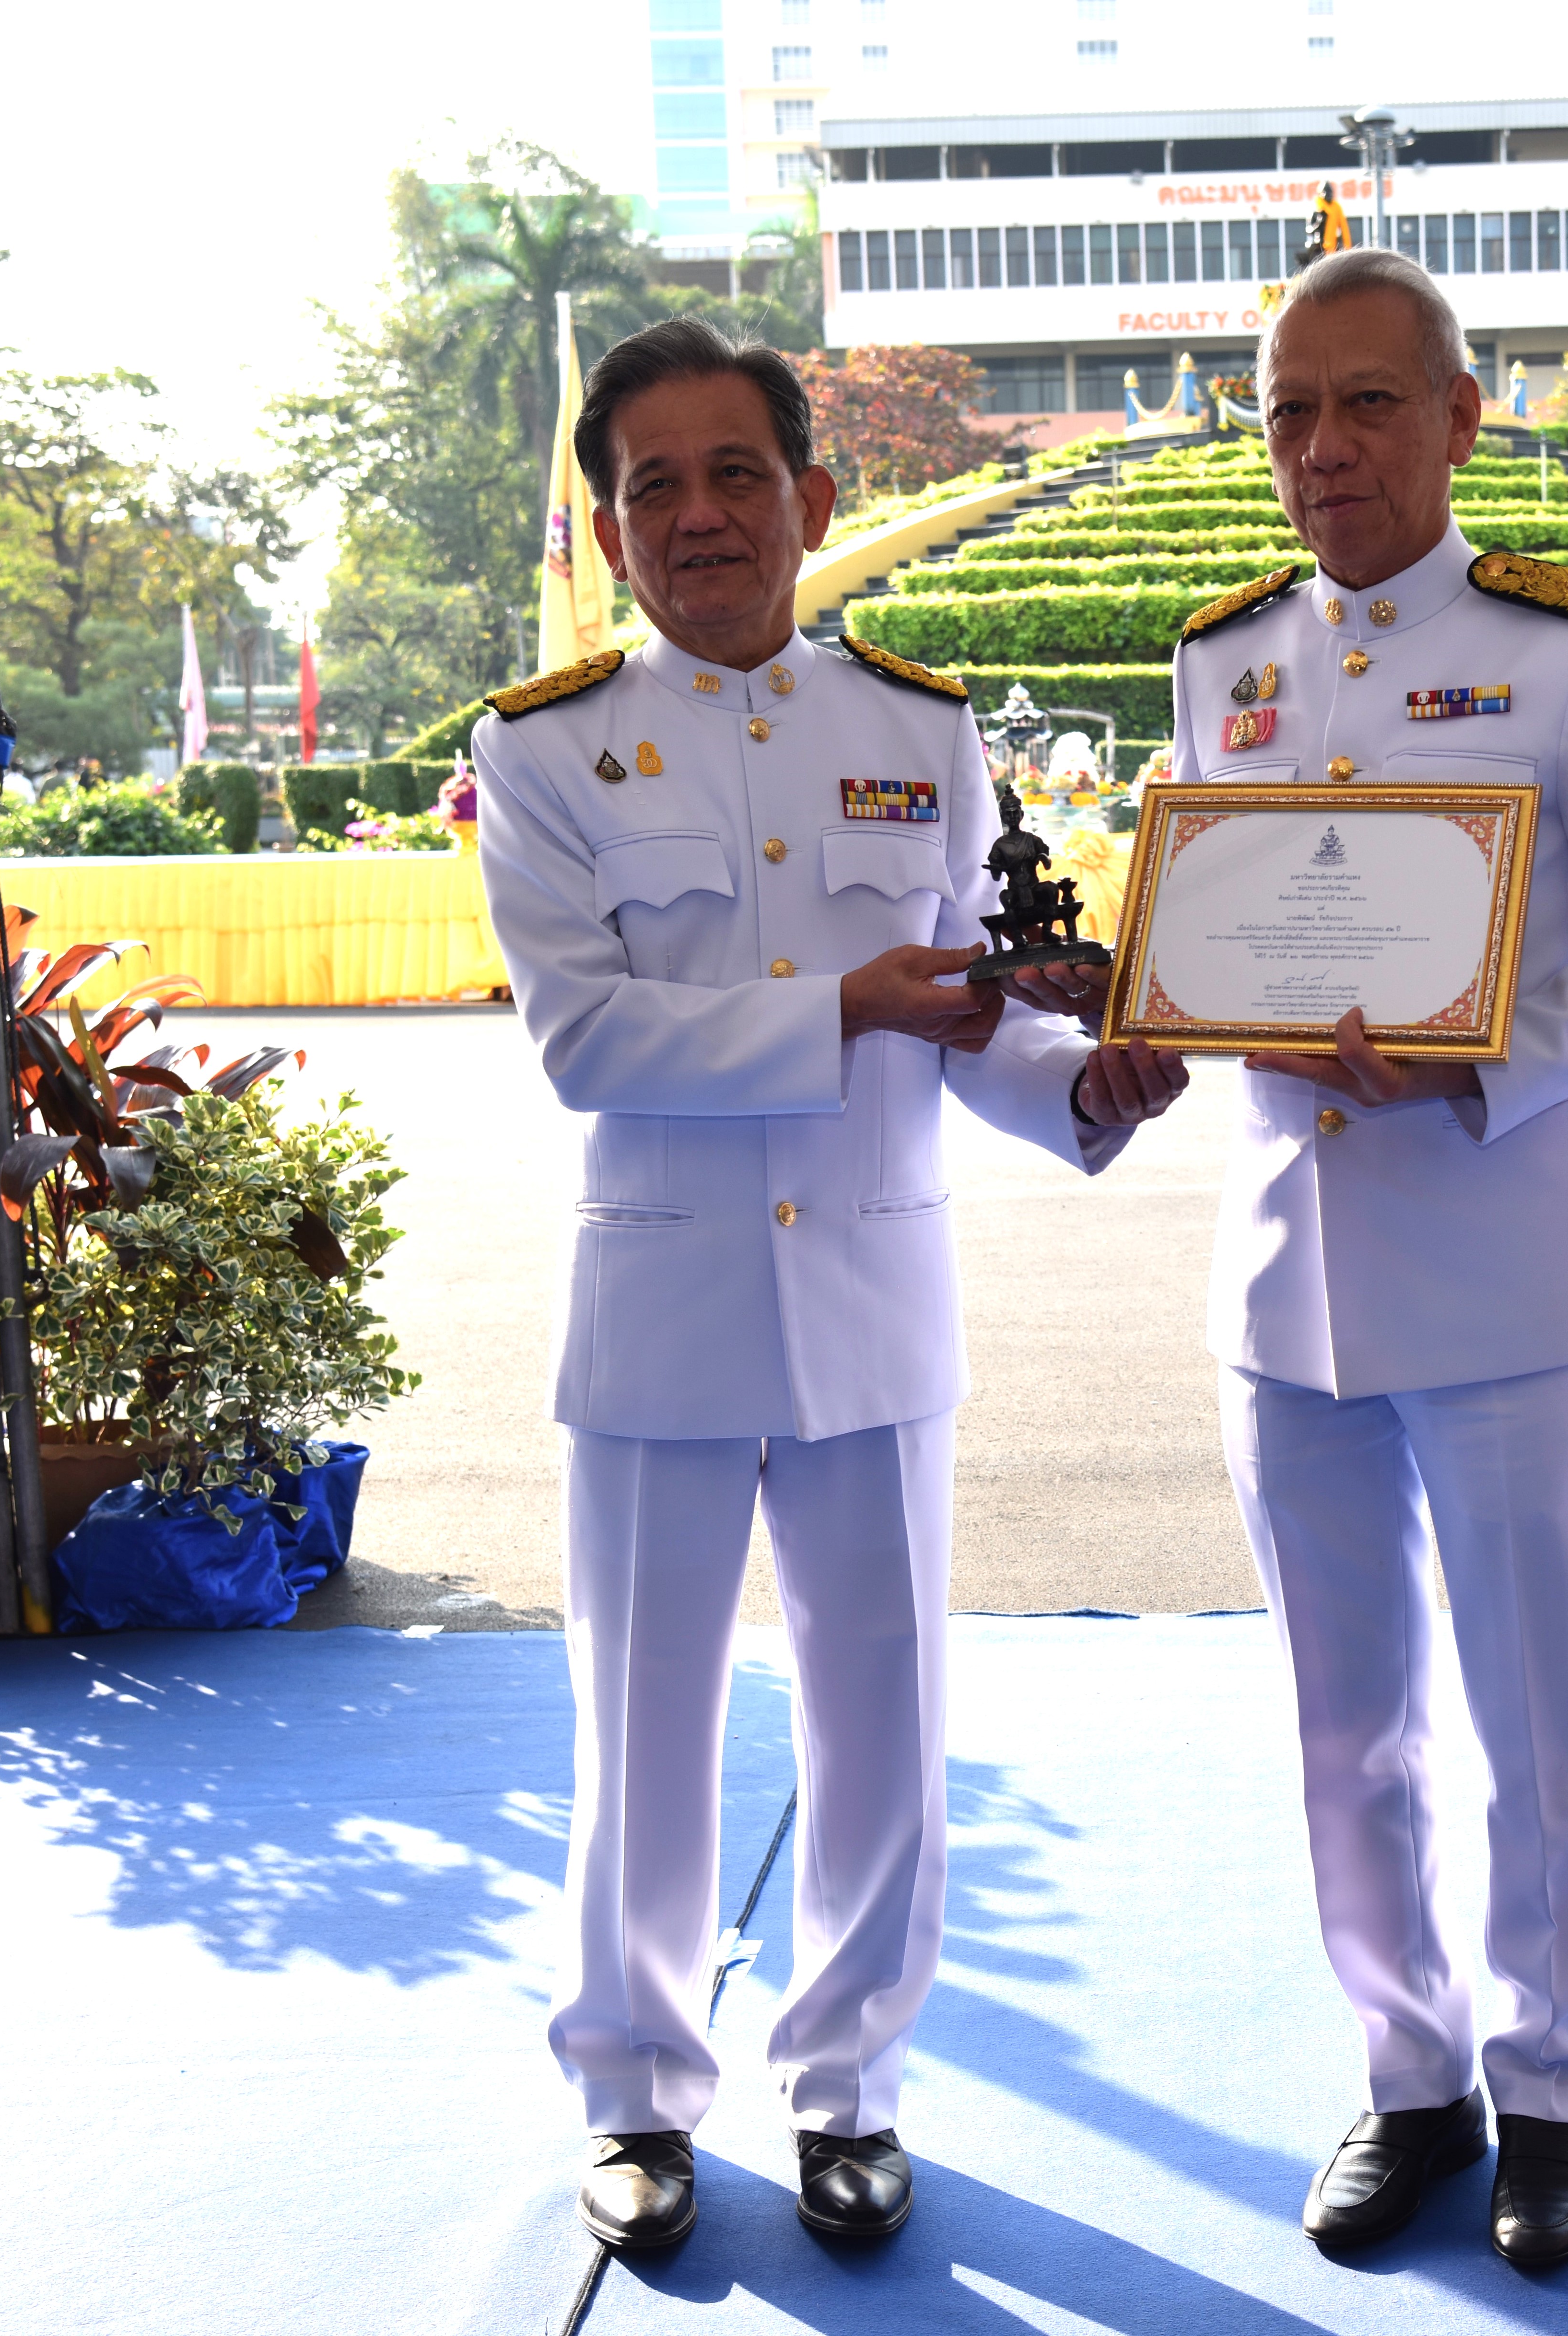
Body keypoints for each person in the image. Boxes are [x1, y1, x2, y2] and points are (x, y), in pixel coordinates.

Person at [1024, 245, 1568, 2268]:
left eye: (1366, 404)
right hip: (1283, 1284)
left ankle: (1553, 2095)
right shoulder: (1227, 656)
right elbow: (1222, 932)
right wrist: (1132, 1015)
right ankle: (1410, 2076)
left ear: (1459, 420)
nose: (1323, 449)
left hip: (1501, 1272)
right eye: (1288, 415)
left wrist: (1482, 1062)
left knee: (1533, 1720)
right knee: (1344, 1727)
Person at [471, 317, 1188, 2260]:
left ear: (813, 497)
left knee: (884, 1726)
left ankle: (851, 2090)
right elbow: (587, 1040)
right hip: (665, 1318)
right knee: (645, 1728)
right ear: (611, 532)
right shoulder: (542, 750)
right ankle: (636, 2095)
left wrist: (1083, 1088)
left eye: (737, 474)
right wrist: (843, 1006)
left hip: (873, 1300)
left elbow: (969, 1014)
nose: (701, 516)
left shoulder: (919, 731)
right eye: (656, 488)